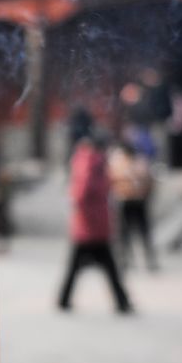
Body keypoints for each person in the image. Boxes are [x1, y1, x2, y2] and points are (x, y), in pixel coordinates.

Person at [58, 133, 133, 314]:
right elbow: (84, 193)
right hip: (93, 225)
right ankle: (122, 302)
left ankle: (64, 300)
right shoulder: (93, 163)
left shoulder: (85, 161)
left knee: (80, 267)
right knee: (107, 266)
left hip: (88, 224)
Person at [109, 142, 158, 270]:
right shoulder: (121, 162)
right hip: (127, 200)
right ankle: (127, 260)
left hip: (136, 201)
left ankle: (147, 259)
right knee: (127, 233)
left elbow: (150, 181)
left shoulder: (135, 162)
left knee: (141, 232)